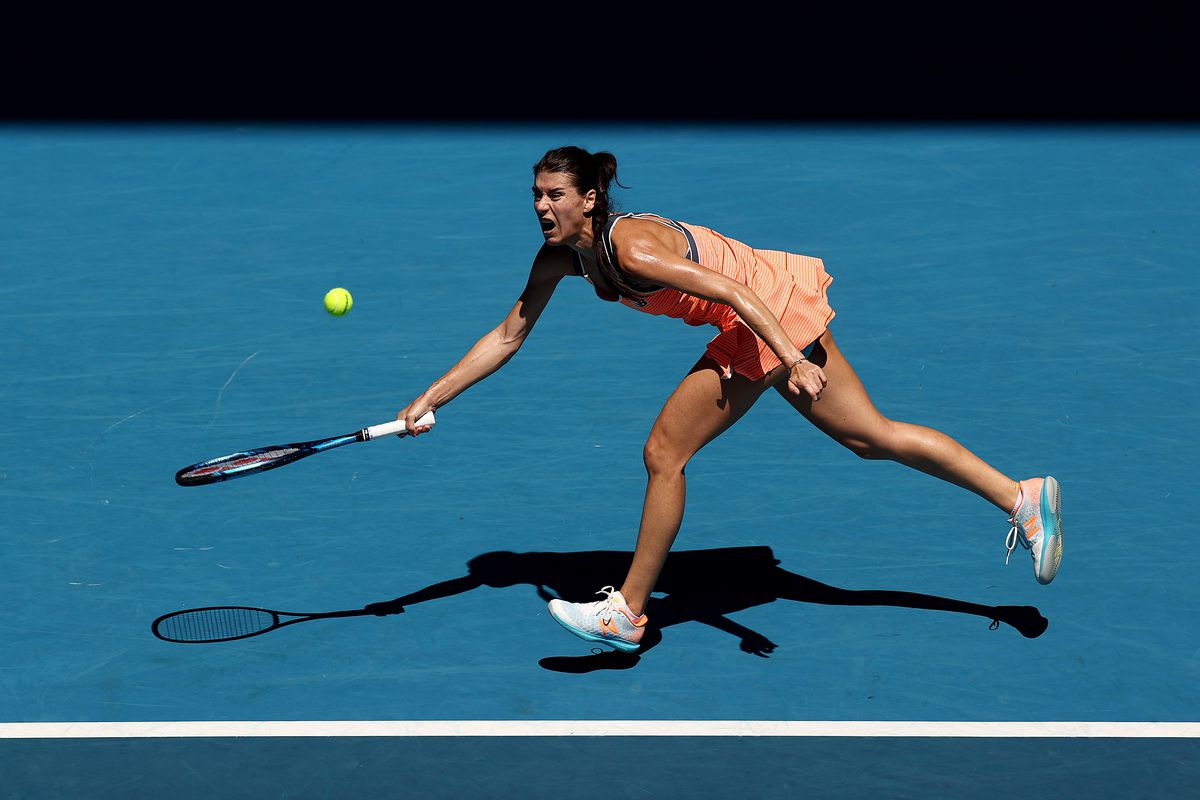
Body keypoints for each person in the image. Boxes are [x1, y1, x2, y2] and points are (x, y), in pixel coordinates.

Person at [397, 145, 1063, 653]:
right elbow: (508, 334)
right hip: (769, 306)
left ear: (592, 197)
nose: (543, 207)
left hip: (760, 314)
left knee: (665, 451)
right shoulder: (559, 260)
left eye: (556, 195)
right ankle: (1020, 496)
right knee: (872, 438)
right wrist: (432, 398)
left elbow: (734, 294)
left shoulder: (629, 249)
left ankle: (627, 613)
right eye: (536, 195)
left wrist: (794, 359)